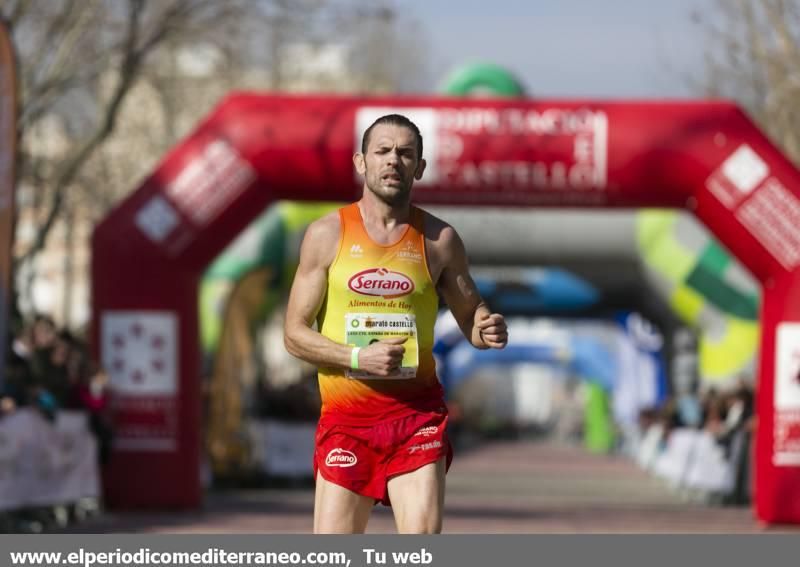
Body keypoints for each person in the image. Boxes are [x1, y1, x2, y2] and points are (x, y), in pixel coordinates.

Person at [284, 113, 508, 534]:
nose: (393, 161)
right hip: (347, 423)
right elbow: (294, 334)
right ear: (360, 162)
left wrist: (485, 327)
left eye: (405, 153)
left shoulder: (440, 240)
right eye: (382, 151)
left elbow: (471, 316)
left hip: (416, 418)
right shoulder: (327, 234)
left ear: (419, 167)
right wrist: (356, 357)